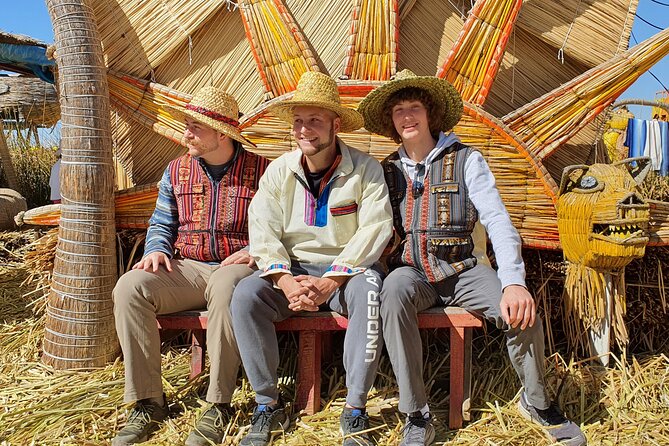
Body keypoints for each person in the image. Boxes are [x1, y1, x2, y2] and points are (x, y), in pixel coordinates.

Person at [357, 70, 587, 446]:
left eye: (414, 107)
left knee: (519, 312)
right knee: (392, 292)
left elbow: (497, 218)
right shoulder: (386, 171)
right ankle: (416, 414)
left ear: (429, 113)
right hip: (412, 273)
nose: (407, 116)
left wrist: (513, 281)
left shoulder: (466, 159)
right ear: (392, 121)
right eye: (399, 110)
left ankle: (538, 402)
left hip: (465, 270)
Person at [230, 71, 393, 446]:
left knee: (371, 292)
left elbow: (375, 229)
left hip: (347, 274)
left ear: (336, 124)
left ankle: (355, 411)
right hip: (293, 272)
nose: (305, 130)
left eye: (315, 121)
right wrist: (286, 281)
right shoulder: (279, 171)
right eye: (299, 121)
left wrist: (331, 281)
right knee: (244, 297)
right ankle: (268, 405)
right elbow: (263, 228)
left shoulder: (364, 170)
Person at [112, 87, 269, 446]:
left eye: (195, 127)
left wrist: (258, 250)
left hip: (238, 265)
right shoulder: (177, 170)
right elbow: (162, 221)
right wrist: (155, 248)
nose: (186, 134)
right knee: (129, 287)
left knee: (226, 285)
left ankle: (219, 403)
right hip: (189, 266)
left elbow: (282, 226)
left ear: (221, 132)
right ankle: (148, 400)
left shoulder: (264, 171)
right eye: (187, 125)